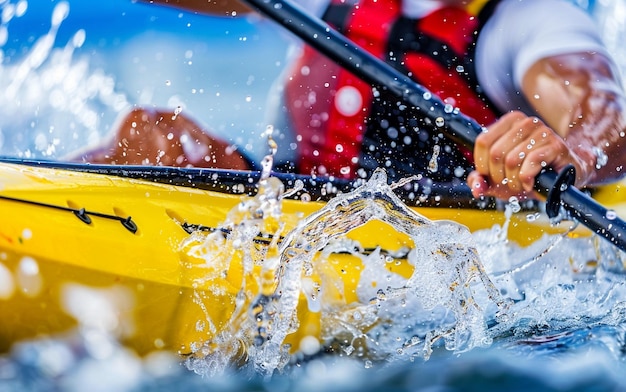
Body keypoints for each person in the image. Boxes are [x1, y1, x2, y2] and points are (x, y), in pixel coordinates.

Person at [79, 0, 626, 202]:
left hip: (436, 245)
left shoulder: (533, 17)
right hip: (293, 205)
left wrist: (569, 153)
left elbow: (605, 119)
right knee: (151, 137)